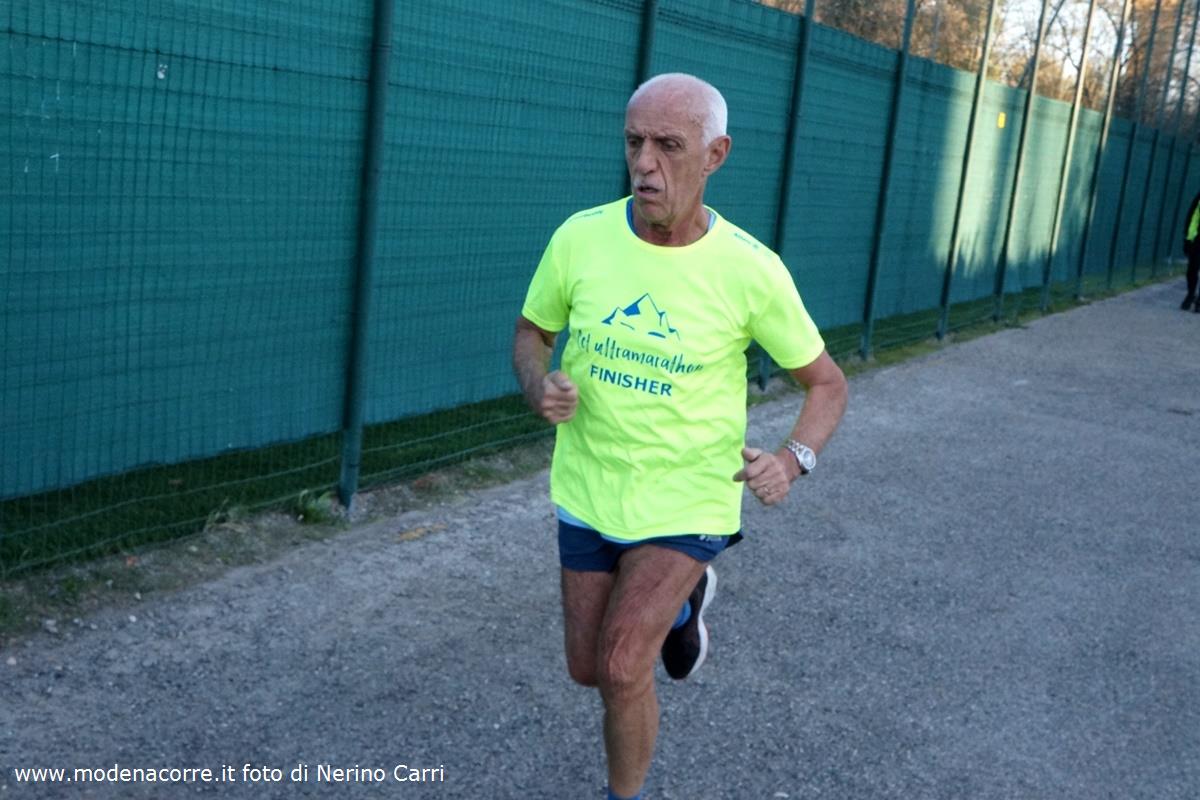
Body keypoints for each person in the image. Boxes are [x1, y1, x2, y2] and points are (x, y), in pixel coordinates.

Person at [511, 73, 848, 800]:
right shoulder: (580, 238)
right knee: (586, 668)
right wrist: (539, 385)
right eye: (634, 142)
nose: (644, 164)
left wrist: (792, 460)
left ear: (715, 155)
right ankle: (688, 607)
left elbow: (827, 383)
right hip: (589, 487)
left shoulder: (751, 270)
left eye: (668, 145)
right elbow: (532, 332)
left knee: (622, 666)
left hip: (690, 499)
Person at [1182, 189, 1200, 312]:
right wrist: (1188, 238)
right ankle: (1191, 293)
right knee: (1192, 268)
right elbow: (1194, 217)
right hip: (1198, 238)